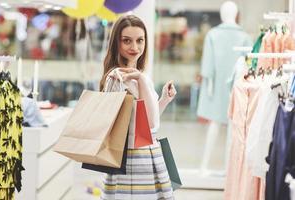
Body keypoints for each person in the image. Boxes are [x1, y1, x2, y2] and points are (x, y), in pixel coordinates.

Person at [99, 15, 177, 200]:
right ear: (116, 43)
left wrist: (164, 99)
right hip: (131, 157)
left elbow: (146, 123)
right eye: (127, 41)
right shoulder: (117, 78)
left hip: (146, 152)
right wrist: (140, 80)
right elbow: (150, 124)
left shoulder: (140, 75)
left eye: (139, 40)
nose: (134, 47)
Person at [196, 1, 252, 173]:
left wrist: (210, 85)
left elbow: (208, 64)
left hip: (217, 85)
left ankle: (204, 165)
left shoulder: (213, 35)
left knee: (214, 125)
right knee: (232, 127)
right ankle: (229, 168)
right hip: (236, 86)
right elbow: (249, 65)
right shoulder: (244, 36)